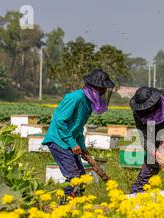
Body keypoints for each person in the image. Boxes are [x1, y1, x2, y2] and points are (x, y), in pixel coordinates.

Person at [42, 69, 114, 198]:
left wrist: (82, 147)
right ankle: (65, 205)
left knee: (81, 177)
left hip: (69, 141)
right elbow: (59, 121)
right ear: (94, 87)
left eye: (105, 89)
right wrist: (71, 142)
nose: (104, 92)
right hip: (59, 141)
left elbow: (78, 128)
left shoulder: (88, 103)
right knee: (74, 177)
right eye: (102, 89)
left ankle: (77, 204)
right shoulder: (75, 98)